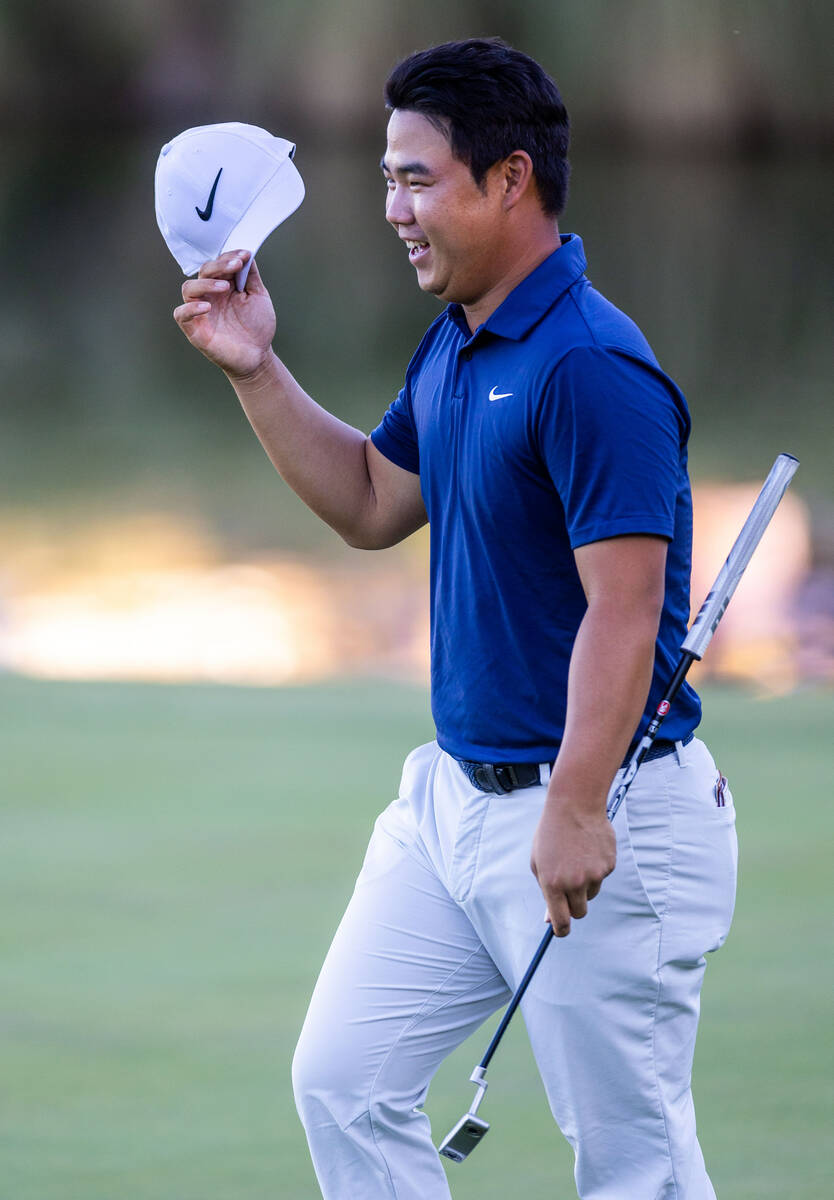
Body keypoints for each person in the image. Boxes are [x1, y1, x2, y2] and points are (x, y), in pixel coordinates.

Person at [173, 37, 738, 1200]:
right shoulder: (463, 342)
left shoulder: (590, 367)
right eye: (387, 178)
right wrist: (253, 369)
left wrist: (577, 807)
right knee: (343, 1080)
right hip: (451, 802)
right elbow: (376, 503)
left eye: (415, 178)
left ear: (511, 179)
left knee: (635, 1166)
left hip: (605, 812)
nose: (392, 208)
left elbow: (625, 616)